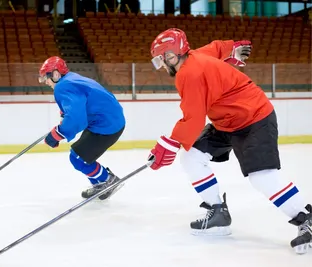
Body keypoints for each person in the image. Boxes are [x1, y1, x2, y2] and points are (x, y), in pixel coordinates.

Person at [147, 28, 312, 254]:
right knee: (192, 158)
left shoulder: (188, 74)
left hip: (254, 118)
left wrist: (168, 145)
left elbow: (193, 119)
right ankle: (218, 212)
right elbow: (216, 48)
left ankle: (306, 217)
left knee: (262, 176)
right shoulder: (196, 55)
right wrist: (231, 47)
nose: (163, 65)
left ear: (176, 53)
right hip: (226, 122)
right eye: (159, 60)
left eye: (165, 58)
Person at [38, 56, 126, 200]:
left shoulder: (62, 86)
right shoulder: (71, 78)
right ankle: (101, 185)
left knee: (77, 158)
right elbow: (76, 105)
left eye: (46, 77)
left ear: (55, 74)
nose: (46, 82)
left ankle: (108, 180)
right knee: (80, 154)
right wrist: (63, 122)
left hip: (106, 124)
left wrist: (56, 135)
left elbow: (76, 118)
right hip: (109, 120)